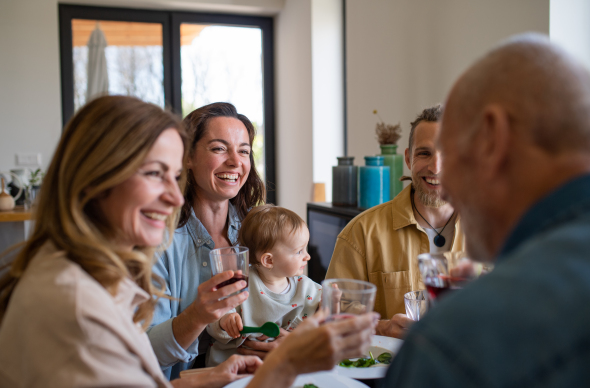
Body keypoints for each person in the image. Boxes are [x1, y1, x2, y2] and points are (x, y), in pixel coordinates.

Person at [0, 95, 379, 388]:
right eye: (154, 173)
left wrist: (209, 377)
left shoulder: (255, 228)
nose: (175, 196)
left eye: (243, 150)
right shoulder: (76, 299)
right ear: (95, 180)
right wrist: (284, 364)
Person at [384, 33, 590, 387]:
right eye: (426, 155)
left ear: (491, 139)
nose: (443, 181)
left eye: (451, 155)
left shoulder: (453, 345)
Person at [147, 103, 280, 379]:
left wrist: (281, 336)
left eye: (244, 151)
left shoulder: (260, 230)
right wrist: (196, 316)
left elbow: (289, 300)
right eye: (219, 148)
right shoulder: (157, 241)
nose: (235, 161)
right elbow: (144, 354)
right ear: (187, 157)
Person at [326, 105, 466, 338]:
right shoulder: (360, 233)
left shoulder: (496, 233)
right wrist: (381, 327)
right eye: (424, 153)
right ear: (409, 159)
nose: (436, 167)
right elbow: (330, 314)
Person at [206, 205, 321, 366]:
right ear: (269, 260)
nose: (307, 256)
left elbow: (325, 316)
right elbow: (211, 316)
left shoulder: (305, 287)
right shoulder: (240, 283)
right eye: (299, 251)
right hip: (233, 369)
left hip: (281, 368)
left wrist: (332, 303)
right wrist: (225, 320)